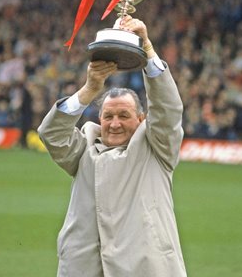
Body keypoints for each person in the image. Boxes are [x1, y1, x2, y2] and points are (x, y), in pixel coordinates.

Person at [38, 15, 187, 277]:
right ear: (99, 119)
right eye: (108, 116)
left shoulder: (157, 149)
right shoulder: (83, 150)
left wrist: (148, 49)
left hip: (144, 268)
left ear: (141, 119)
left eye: (124, 116)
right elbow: (51, 134)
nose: (115, 123)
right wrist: (89, 89)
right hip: (84, 268)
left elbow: (168, 110)